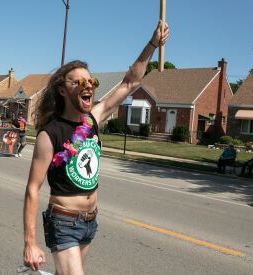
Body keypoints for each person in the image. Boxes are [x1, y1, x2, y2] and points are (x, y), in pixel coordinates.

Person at [22, 20, 169, 274]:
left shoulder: (93, 119)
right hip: (64, 221)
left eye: (91, 81)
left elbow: (129, 83)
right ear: (62, 91)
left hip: (90, 221)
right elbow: (33, 189)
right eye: (77, 82)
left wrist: (152, 44)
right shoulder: (51, 133)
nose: (87, 85)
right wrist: (30, 243)